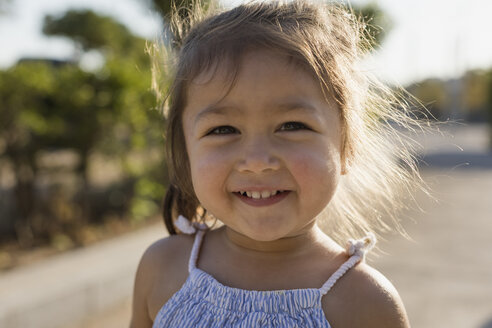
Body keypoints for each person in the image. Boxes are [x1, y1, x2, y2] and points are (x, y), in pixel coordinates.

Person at [131, 1, 429, 327]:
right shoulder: (162, 268)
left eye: (292, 125)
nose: (257, 162)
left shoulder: (365, 303)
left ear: (347, 145)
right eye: (223, 130)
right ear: (185, 152)